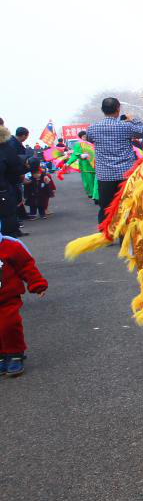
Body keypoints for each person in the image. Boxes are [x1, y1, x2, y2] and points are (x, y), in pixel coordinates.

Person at [85, 98, 143, 224]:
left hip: (105, 175)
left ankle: (106, 233)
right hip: (126, 174)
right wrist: (133, 119)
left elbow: (90, 140)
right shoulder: (126, 126)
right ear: (118, 109)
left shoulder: (92, 128)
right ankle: (123, 234)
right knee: (127, 205)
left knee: (106, 207)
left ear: (102, 110)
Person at [0, 233, 48, 377]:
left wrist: (37, 284)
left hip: (7, 297)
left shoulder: (10, 245)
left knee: (9, 325)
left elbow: (26, 266)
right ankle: (2, 355)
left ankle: (15, 353)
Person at [0, 126, 25, 237]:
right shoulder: (6, 147)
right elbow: (15, 165)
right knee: (8, 212)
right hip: (4, 187)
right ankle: (10, 236)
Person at [64, 130, 98, 203]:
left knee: (95, 181)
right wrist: (68, 163)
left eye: (86, 136)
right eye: (84, 136)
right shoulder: (78, 144)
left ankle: (96, 195)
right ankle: (91, 194)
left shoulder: (91, 144)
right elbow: (75, 154)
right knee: (88, 182)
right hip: (85, 166)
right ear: (80, 137)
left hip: (94, 166)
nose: (85, 137)